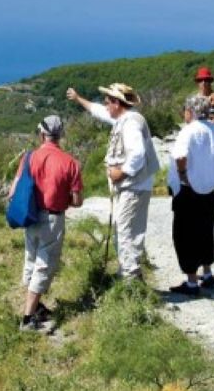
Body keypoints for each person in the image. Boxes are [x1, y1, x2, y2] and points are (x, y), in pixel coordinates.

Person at [65, 82, 159, 280]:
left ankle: (131, 277)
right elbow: (98, 111)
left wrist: (121, 173)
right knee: (125, 228)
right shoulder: (124, 119)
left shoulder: (131, 123)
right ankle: (129, 270)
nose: (106, 104)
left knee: (125, 229)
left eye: (108, 101)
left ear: (117, 103)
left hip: (133, 186)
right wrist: (78, 98)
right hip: (133, 186)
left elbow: (137, 154)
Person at [9, 115, 83, 332]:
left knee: (31, 260)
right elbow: (78, 201)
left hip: (30, 217)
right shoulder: (70, 162)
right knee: (44, 265)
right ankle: (27, 318)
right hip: (52, 219)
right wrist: (64, 199)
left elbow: (13, 191)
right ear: (60, 135)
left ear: (42, 134)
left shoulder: (29, 157)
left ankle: (36, 306)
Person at [167, 94, 214, 296]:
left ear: (190, 111)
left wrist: (182, 174)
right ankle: (207, 273)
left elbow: (180, 156)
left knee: (184, 234)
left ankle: (192, 282)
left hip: (188, 187)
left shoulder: (189, 131)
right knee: (205, 229)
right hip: (210, 187)